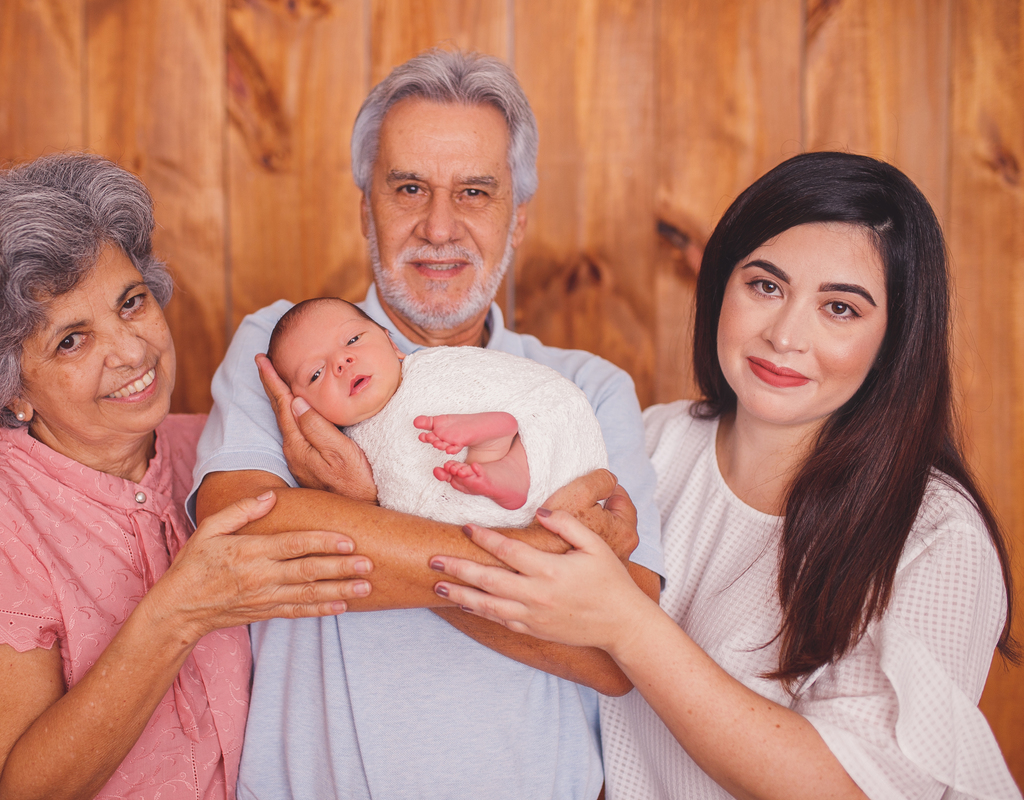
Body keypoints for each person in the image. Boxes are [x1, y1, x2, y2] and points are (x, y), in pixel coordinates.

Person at [430, 152, 1021, 800]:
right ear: (720, 286)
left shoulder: (939, 537)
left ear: (895, 341)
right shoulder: (648, 443)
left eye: (840, 308)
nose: (785, 336)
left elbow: (849, 789)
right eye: (766, 287)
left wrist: (628, 624)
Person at [191, 50, 663, 799]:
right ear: (366, 208)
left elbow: (618, 654)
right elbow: (242, 536)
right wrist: (537, 556)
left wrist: (357, 507)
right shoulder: (289, 349)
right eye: (409, 188)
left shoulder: (586, 389)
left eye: (474, 192)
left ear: (518, 217)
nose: (439, 228)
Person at [0, 153, 374, 800]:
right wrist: (178, 614)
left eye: (131, 302)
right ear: (8, 388)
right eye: (71, 340)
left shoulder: (218, 451)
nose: (130, 350)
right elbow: (9, 791)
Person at [267, 296, 609, 519]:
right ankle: (497, 463)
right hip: (490, 513)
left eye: (353, 340)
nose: (342, 361)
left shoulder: (432, 369)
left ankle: (499, 442)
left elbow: (497, 382)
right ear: (303, 408)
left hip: (545, 441)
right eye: (316, 374)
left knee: (517, 436)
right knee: (469, 483)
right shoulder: (338, 456)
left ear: (391, 343)